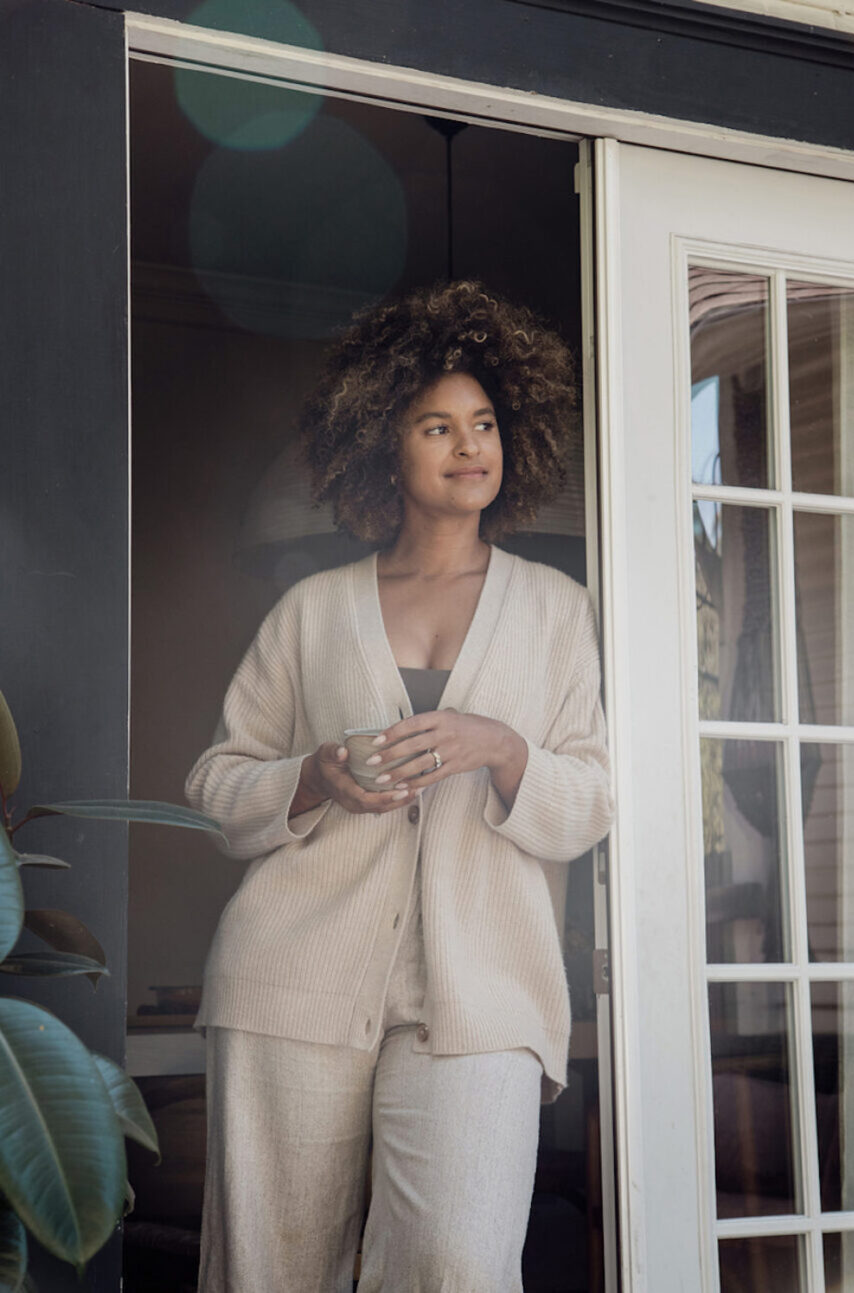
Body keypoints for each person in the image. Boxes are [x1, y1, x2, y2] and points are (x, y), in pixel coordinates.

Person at [186, 279, 615, 1293]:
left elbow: (594, 799)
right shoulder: (310, 610)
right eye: (437, 426)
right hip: (290, 980)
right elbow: (216, 781)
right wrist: (314, 776)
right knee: (269, 1270)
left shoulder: (557, 611)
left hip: (482, 997)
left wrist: (503, 748)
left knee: (455, 1262)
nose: (471, 446)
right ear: (384, 446)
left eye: (484, 423)